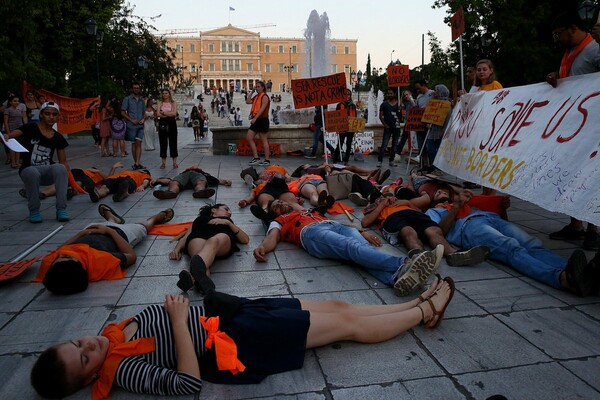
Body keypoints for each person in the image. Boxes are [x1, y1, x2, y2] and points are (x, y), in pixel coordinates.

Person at [31, 275, 454, 399]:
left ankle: (411, 305)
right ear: (89, 380)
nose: (88, 347)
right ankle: (424, 312)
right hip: (240, 342)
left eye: (76, 344)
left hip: (235, 314)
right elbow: (187, 384)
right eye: (84, 359)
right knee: (346, 326)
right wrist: (179, 323)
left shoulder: (111, 335)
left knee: (337, 308)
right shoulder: (123, 371)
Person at [255, 199, 445, 295]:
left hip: (335, 226)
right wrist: (263, 247)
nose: (280, 206)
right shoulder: (279, 221)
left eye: (281, 202)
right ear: (274, 214)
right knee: (351, 248)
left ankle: (394, 279)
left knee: (361, 250)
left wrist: (362, 232)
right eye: (276, 207)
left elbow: (340, 225)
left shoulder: (307, 211)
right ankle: (405, 263)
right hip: (311, 234)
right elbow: (273, 237)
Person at [426, 190, 597, 296]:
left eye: (444, 190)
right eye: (438, 192)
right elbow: (441, 231)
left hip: (492, 219)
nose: (441, 191)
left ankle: (582, 274)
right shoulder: (435, 211)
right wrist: (456, 206)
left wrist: (503, 209)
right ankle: (562, 279)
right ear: (434, 199)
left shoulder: (472, 204)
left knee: (532, 244)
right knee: (511, 247)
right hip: (469, 228)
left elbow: (502, 221)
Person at [546, 9, 600, 251]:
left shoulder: (595, 50)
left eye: (559, 34)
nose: (557, 39)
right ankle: (575, 224)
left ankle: (593, 229)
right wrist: (556, 78)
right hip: (572, 129)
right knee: (571, 177)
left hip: (592, 128)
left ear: (573, 29)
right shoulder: (569, 54)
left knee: (590, 178)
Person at [33, 206, 174, 295]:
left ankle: (111, 218)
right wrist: (109, 231)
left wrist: (80, 234)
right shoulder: (101, 262)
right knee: (143, 227)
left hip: (91, 229)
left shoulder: (54, 263)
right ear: (82, 266)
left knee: (108, 223)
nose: (64, 254)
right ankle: (157, 217)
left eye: (59, 258)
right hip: (121, 234)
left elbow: (61, 249)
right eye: (68, 257)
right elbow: (131, 255)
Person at [360, 194, 489, 267]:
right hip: (394, 218)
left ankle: (453, 254)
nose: (391, 198)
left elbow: (420, 212)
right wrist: (382, 204)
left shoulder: (405, 202)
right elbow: (365, 222)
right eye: (386, 195)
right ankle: (419, 256)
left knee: (433, 230)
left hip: (415, 215)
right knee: (407, 231)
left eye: (391, 195)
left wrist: (408, 202)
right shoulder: (379, 206)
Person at [4, 102, 70, 223]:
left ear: (57, 117)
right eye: (47, 113)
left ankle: (61, 209)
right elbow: (13, 135)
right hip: (28, 169)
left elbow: (63, 162)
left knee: (60, 168)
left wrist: (69, 178)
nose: (51, 117)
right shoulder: (31, 128)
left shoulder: (58, 137)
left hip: (47, 170)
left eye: (54, 114)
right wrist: (7, 136)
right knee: (32, 172)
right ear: (41, 115)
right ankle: (34, 210)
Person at [169, 204, 249, 293]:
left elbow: (245, 239)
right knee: (199, 257)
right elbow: (185, 237)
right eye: (226, 209)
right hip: (198, 237)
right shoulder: (198, 220)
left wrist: (228, 223)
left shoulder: (227, 221)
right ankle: (202, 285)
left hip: (221, 238)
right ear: (214, 210)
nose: (229, 213)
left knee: (213, 241)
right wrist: (177, 249)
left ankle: (193, 276)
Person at [152, 166, 232, 200]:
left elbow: (217, 180)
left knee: (201, 182)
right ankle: (170, 193)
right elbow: (169, 181)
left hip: (197, 176)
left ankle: (200, 192)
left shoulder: (203, 174)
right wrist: (158, 180)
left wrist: (226, 181)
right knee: (174, 182)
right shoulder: (183, 173)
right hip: (185, 176)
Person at [121, 82, 146, 170]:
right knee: (134, 143)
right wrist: (131, 120)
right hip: (131, 125)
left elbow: (144, 112)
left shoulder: (142, 100)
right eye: (134, 88)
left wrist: (143, 119)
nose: (136, 89)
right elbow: (123, 112)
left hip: (140, 125)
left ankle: (137, 162)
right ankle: (136, 162)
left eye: (138, 88)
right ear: (132, 89)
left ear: (140, 89)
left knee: (139, 142)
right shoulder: (127, 99)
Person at [246, 80, 271, 166]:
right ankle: (256, 157)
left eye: (258, 87)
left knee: (264, 140)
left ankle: (267, 160)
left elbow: (262, 109)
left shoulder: (265, 97)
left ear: (263, 87)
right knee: (249, 137)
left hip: (262, 120)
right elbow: (248, 101)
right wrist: (252, 91)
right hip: (256, 120)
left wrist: (255, 118)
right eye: (256, 87)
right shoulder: (256, 96)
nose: (257, 88)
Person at [378, 89, 402, 167]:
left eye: (391, 93)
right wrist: (385, 125)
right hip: (388, 128)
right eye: (388, 93)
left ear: (394, 94)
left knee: (394, 145)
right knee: (384, 145)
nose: (389, 95)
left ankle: (391, 160)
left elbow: (402, 116)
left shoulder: (399, 105)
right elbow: (380, 116)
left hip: (397, 127)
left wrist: (400, 109)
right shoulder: (384, 104)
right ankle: (380, 161)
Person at [414, 79, 434, 169]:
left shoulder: (432, 94)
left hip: (430, 123)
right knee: (421, 144)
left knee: (430, 145)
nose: (418, 90)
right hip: (420, 123)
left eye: (419, 88)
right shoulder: (419, 97)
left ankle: (431, 164)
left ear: (424, 85)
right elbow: (417, 109)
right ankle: (425, 164)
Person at [333, 89, 357, 165]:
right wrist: (337, 128)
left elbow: (355, 117)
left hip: (350, 128)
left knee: (349, 144)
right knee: (340, 143)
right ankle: (335, 159)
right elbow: (336, 117)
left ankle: (346, 160)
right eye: (345, 94)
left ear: (350, 96)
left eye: (348, 95)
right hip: (342, 128)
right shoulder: (339, 105)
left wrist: (355, 128)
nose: (347, 96)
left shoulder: (353, 105)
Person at [3, 94, 27, 168]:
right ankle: (13, 163)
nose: (17, 102)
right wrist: (8, 133)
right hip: (11, 130)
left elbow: (22, 119)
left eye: (18, 101)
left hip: (19, 130)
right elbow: (6, 122)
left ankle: (17, 162)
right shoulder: (7, 110)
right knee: (12, 147)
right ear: (10, 102)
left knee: (18, 146)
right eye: (15, 101)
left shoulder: (19, 110)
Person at [157, 88, 179, 169]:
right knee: (163, 143)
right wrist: (167, 114)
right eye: (163, 93)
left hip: (172, 123)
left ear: (169, 94)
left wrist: (164, 113)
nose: (164, 95)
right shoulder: (160, 103)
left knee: (173, 142)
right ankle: (163, 163)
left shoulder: (173, 103)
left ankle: (174, 162)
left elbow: (174, 114)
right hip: (162, 123)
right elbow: (158, 114)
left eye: (166, 93)